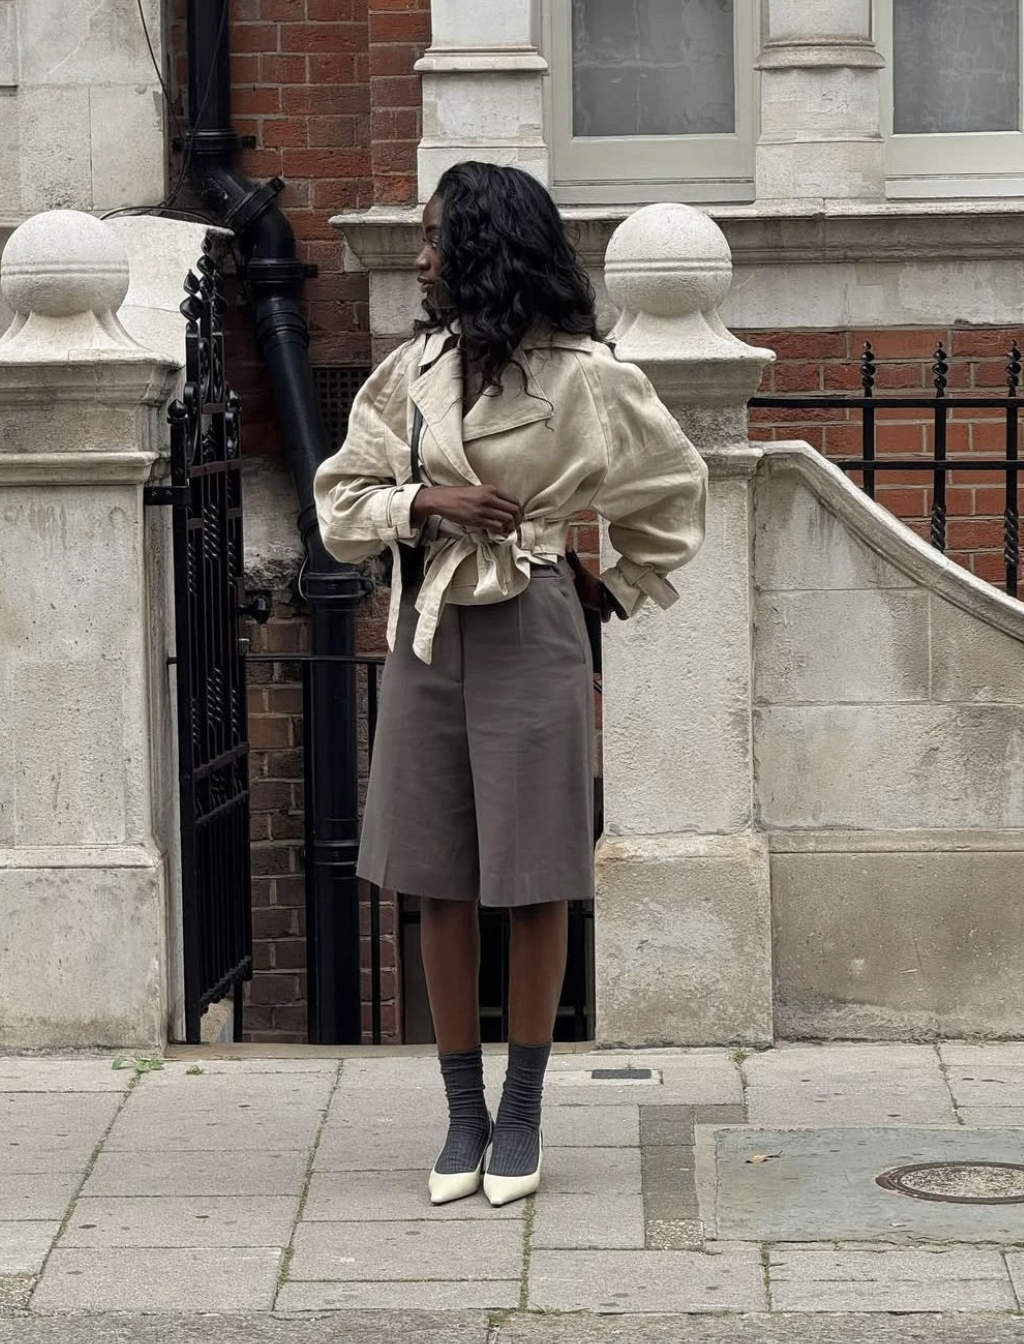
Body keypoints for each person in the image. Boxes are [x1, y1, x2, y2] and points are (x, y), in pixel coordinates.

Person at [314, 161, 708, 1208]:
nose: (422, 254)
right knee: (433, 870)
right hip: (429, 630)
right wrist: (422, 501)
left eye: (440, 235)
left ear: (489, 245)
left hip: (532, 623)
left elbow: (672, 488)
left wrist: (605, 584)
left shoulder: (584, 374)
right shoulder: (411, 372)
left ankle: (522, 1108)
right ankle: (461, 1113)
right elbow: (340, 501)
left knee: (534, 872)